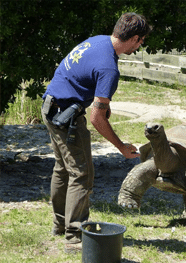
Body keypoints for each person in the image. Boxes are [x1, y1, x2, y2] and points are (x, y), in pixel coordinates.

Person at [41, 12, 150, 253]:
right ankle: (74, 235)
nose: (141, 45)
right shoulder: (109, 68)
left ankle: (60, 225)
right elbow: (96, 118)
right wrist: (121, 146)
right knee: (81, 173)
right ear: (134, 39)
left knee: (63, 168)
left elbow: (86, 81)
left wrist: (105, 105)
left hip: (50, 108)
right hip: (66, 119)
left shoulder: (98, 40)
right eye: (141, 40)